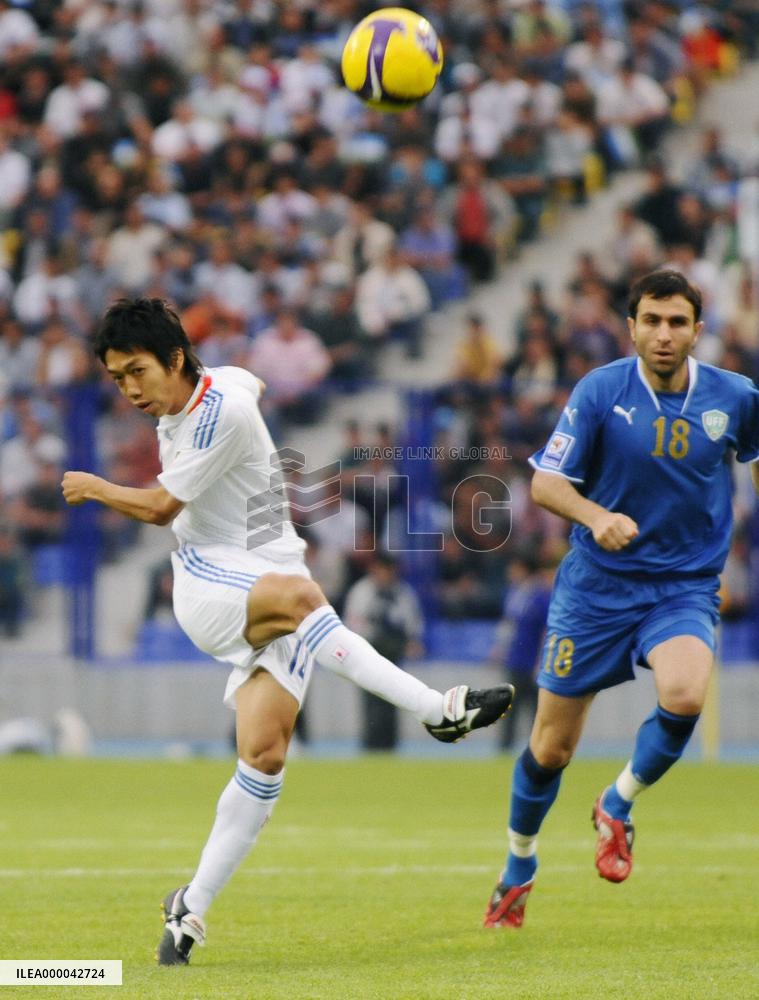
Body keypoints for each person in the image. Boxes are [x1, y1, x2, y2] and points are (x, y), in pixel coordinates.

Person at [60, 298, 514, 964]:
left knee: (265, 756)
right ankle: (436, 710)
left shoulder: (226, 408)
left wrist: (95, 485)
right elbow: (181, 480)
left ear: (176, 360)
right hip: (210, 586)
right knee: (305, 598)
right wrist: (107, 486)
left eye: (136, 371)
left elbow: (172, 486)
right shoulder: (214, 395)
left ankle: (190, 911)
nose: (129, 389)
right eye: (118, 377)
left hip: (269, 580)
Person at [483, 270, 759, 929]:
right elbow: (547, 484)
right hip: (597, 589)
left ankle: (617, 803)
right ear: (630, 327)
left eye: (676, 322)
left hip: (682, 586)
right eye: (651, 321)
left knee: (686, 694)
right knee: (550, 748)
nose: (663, 334)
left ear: (697, 329)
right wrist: (595, 514)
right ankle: (518, 865)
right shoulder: (601, 390)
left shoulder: (736, 396)